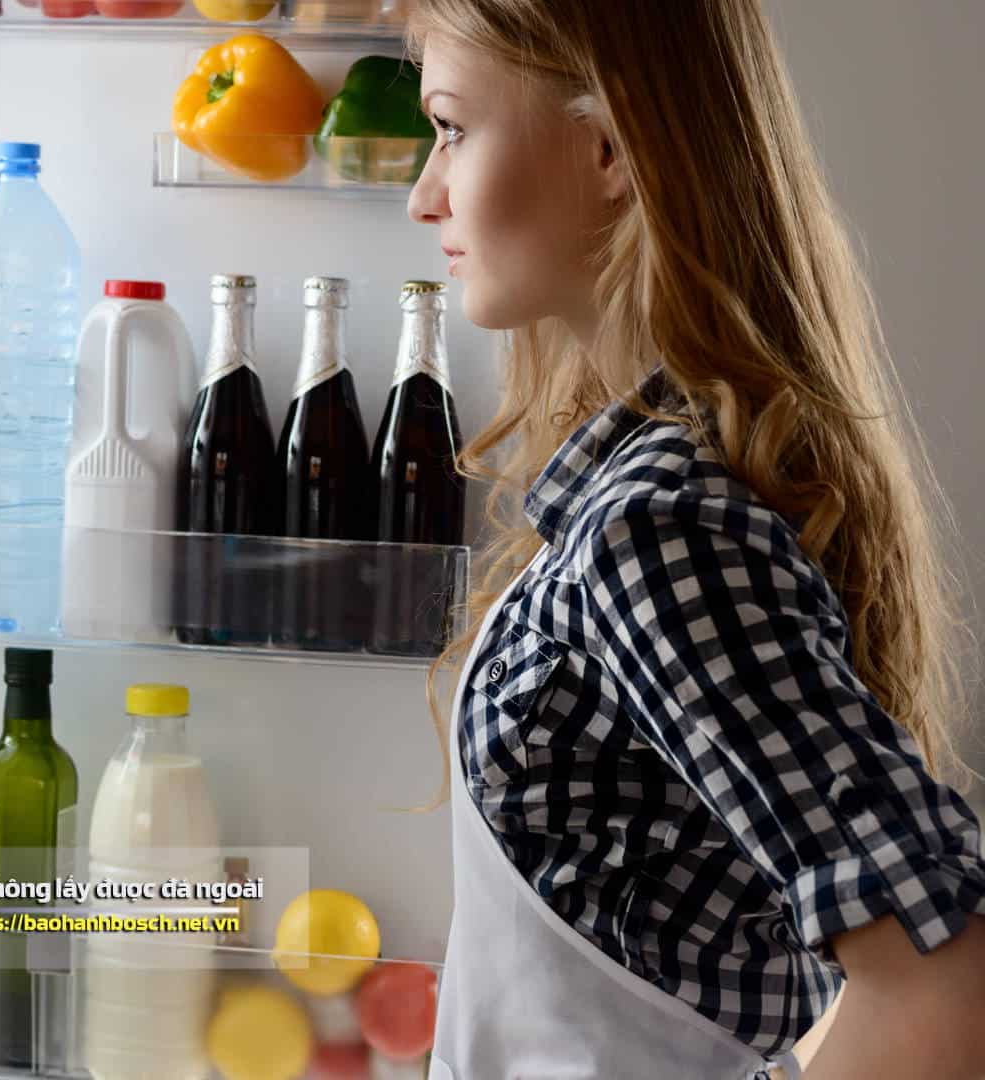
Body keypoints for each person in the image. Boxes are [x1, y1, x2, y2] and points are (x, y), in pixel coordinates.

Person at [404, 2, 985, 1077]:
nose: (423, 194)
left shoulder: (655, 528)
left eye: (451, 129)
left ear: (611, 147)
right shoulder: (638, 491)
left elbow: (948, 984)